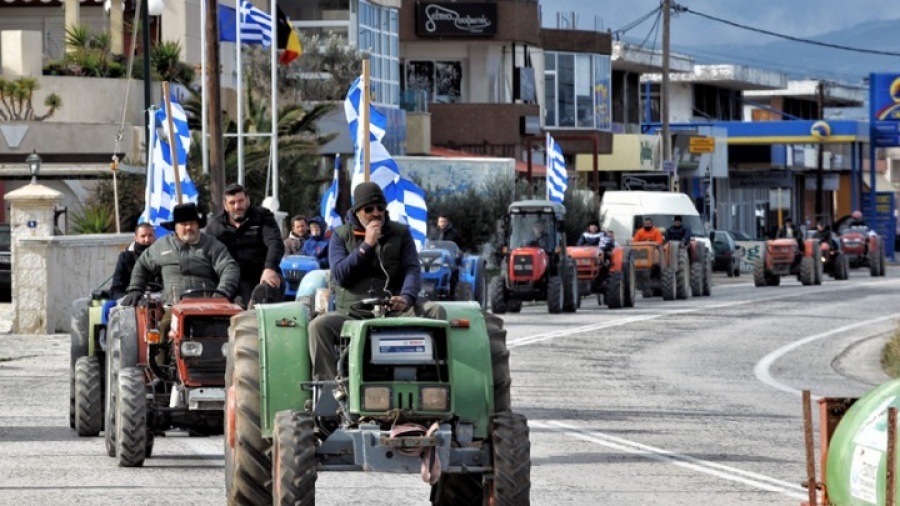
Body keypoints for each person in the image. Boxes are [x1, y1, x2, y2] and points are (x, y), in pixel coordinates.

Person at [307, 182, 447, 382]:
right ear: (357, 211)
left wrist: (406, 297)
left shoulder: (400, 233)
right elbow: (340, 274)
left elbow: (412, 268)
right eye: (369, 209)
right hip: (352, 314)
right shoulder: (340, 236)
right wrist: (367, 245)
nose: (376, 213)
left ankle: (436, 381)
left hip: (393, 310)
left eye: (380, 208)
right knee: (318, 327)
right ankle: (328, 389)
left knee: (436, 311)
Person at [120, 203, 240, 335]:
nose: (189, 227)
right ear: (175, 227)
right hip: (173, 306)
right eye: (184, 224)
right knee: (164, 328)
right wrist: (135, 289)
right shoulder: (161, 246)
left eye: (192, 223)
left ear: (198, 225)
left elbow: (229, 267)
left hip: (209, 305)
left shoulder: (212, 245)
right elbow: (142, 265)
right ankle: (161, 355)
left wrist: (221, 294)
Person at [205, 183, 285, 307]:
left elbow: (275, 243)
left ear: (247, 200)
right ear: (225, 206)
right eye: (232, 203)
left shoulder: (263, 216)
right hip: (233, 278)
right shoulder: (216, 226)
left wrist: (270, 268)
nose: (237, 206)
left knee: (270, 286)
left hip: (262, 273)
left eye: (241, 201)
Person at [110, 223, 157, 300]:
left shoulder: (162, 256)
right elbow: (116, 289)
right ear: (136, 238)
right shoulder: (125, 258)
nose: (147, 239)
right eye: (143, 236)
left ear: (155, 237)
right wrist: (129, 298)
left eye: (150, 235)